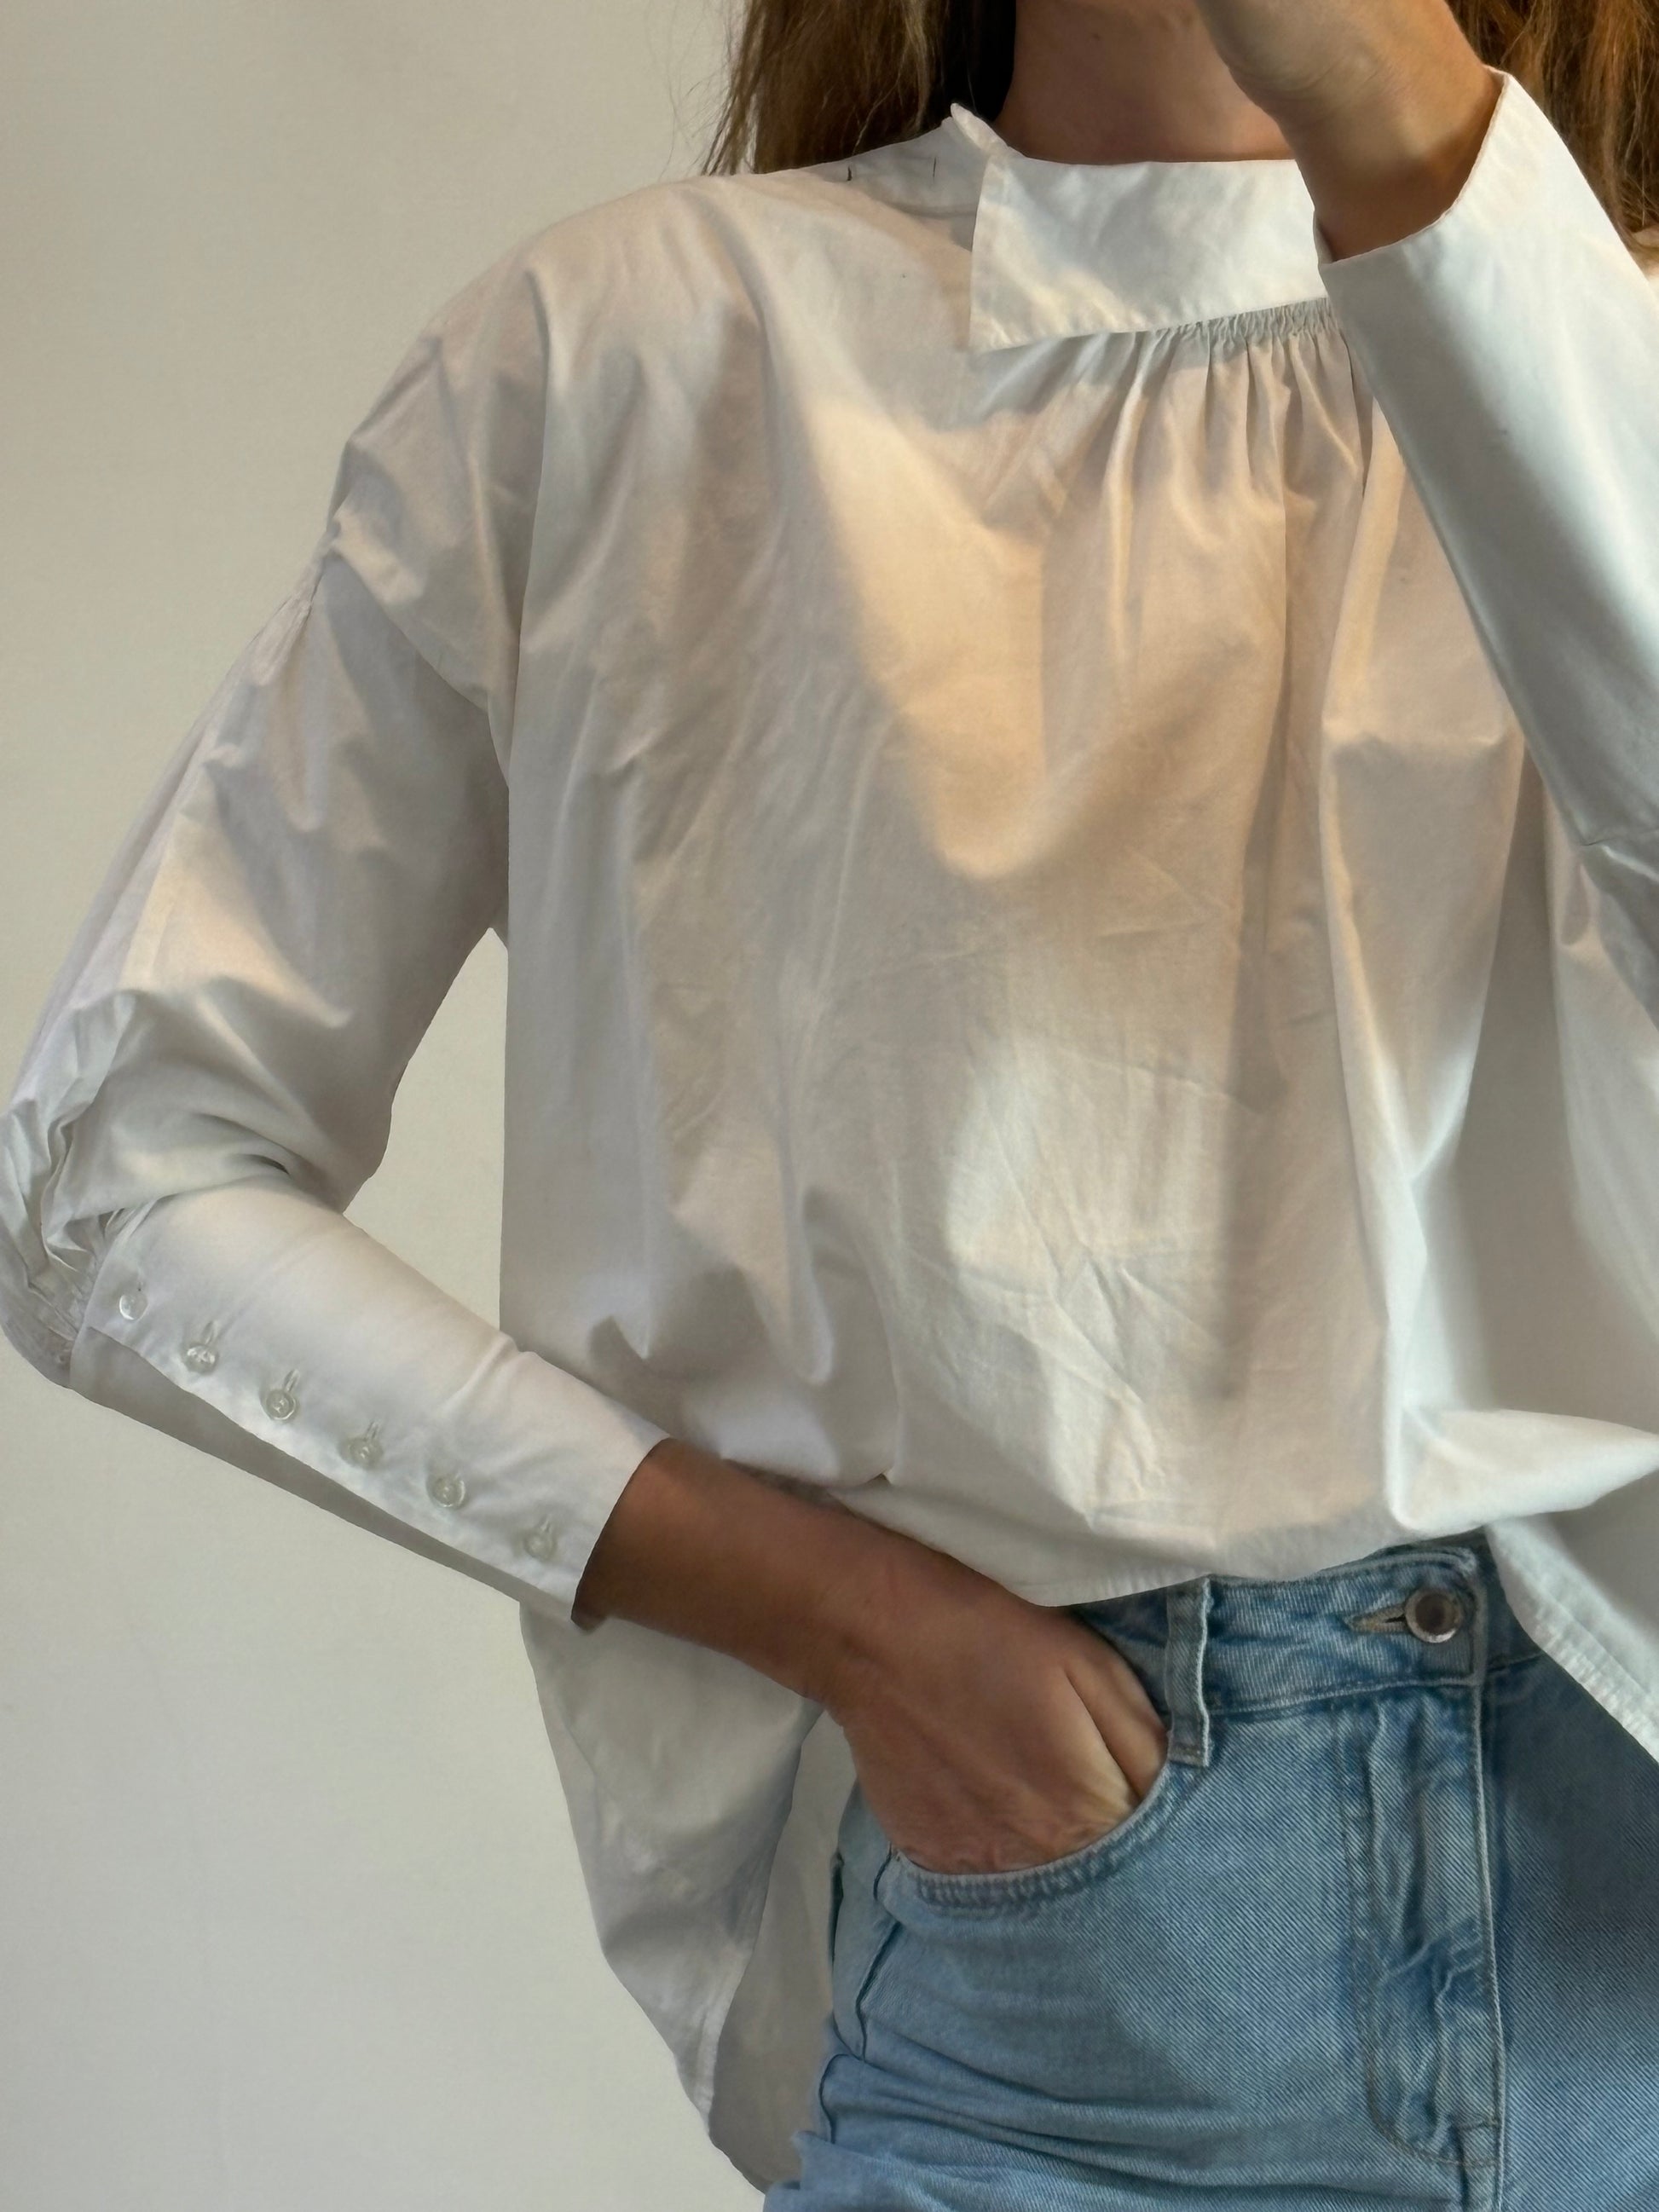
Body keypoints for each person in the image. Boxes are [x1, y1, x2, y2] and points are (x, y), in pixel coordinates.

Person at [6, 0, 1659, 2198]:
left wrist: (1398, 120)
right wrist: (837, 1615)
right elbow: (118, 1173)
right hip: (1086, 1974)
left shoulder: (1604, 353)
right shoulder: (634, 355)